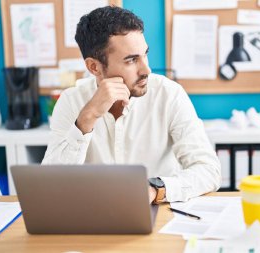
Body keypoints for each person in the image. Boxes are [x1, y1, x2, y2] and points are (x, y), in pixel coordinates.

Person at [42, 6, 221, 204]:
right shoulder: (70, 101)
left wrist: (155, 189)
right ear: (94, 67)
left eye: (145, 54)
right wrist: (87, 118)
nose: (146, 69)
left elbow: (208, 170)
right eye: (131, 60)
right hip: (93, 217)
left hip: (158, 214)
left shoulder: (169, 94)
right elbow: (50, 186)